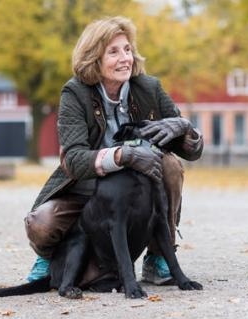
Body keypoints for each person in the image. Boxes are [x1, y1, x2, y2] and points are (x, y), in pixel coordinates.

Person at [25, 16, 203, 285]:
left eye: (127, 49)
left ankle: (158, 256)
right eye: (114, 51)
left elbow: (190, 151)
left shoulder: (149, 88)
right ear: (94, 58)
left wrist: (184, 126)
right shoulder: (74, 93)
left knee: (171, 165)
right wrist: (123, 155)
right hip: (85, 186)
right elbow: (73, 159)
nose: (125, 58)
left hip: (133, 189)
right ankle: (51, 257)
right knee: (42, 223)